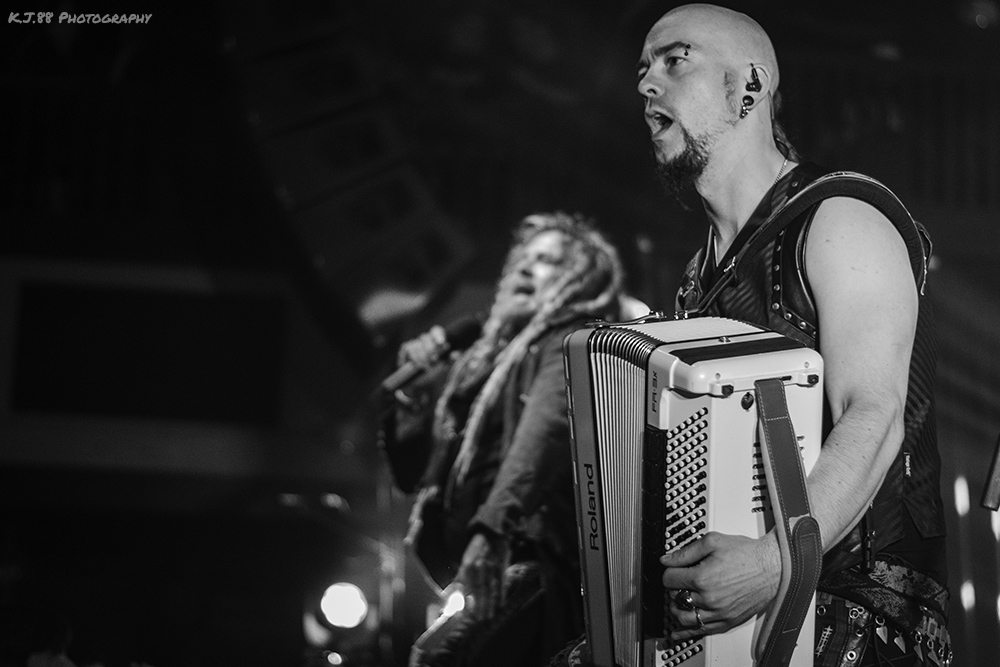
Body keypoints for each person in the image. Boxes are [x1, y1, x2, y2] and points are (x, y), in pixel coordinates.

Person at [630, 4, 950, 666]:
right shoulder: (697, 279)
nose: (645, 84)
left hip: (859, 616)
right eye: (643, 68)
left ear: (750, 85)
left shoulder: (841, 217)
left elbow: (877, 413)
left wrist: (777, 560)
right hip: (740, 621)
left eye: (674, 59)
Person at [380, 212, 628, 667]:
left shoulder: (565, 340)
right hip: (483, 565)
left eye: (549, 262)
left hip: (533, 559)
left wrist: (492, 529)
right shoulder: (484, 364)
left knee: (436, 659)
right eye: (523, 259)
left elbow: (543, 435)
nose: (527, 268)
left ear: (580, 280)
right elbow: (413, 476)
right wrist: (414, 410)